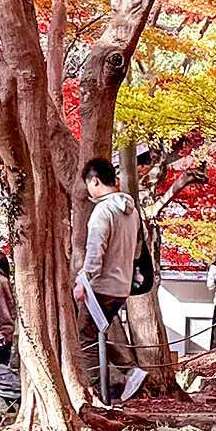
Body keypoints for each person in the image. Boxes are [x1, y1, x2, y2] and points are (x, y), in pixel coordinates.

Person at [77, 158, 141, 394]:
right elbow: (137, 249)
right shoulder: (132, 212)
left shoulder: (103, 210)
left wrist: (83, 279)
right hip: (122, 286)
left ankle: (97, 390)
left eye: (88, 185)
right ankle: (128, 370)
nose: (89, 191)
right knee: (102, 330)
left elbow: (95, 250)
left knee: (86, 337)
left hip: (101, 286)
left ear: (95, 181)